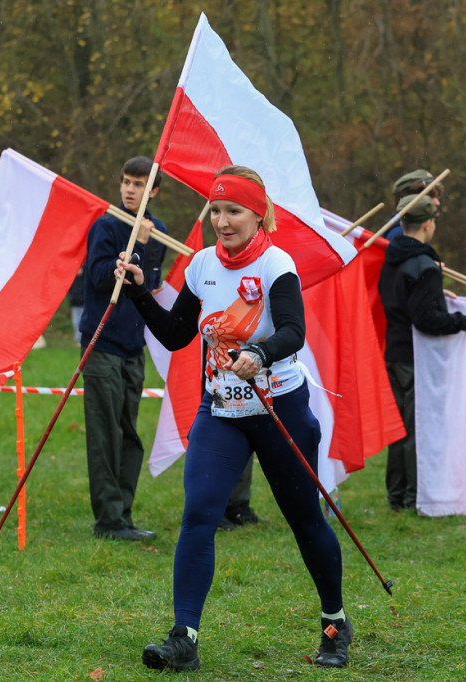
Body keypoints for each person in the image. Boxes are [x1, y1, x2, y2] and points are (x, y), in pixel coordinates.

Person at [118, 166, 351, 671]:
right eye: (216, 211)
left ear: (258, 213)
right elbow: (179, 334)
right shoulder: (201, 264)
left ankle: (334, 624)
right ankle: (184, 638)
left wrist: (261, 354)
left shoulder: (276, 264)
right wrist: (139, 291)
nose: (222, 221)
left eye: (234, 211)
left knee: (304, 520)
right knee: (199, 514)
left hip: (279, 412)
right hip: (220, 411)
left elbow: (294, 331)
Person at [79, 156, 167, 541]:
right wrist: (137, 248)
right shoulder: (105, 225)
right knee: (104, 433)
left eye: (139, 184)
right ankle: (108, 520)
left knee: (129, 432)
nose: (130, 190)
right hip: (102, 345)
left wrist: (146, 248)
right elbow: (101, 278)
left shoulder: (158, 231)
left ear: (154, 191)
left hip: (134, 346)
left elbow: (145, 284)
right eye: (126, 182)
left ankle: (124, 515)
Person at [378, 194, 466, 512]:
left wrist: (436, 293)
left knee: (400, 429)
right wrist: (463, 322)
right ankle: (414, 498)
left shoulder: (391, 257)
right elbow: (426, 319)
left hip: (394, 351)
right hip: (415, 359)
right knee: (417, 427)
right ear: (427, 224)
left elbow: (407, 301)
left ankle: (397, 496)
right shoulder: (423, 265)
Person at [382, 168, 443, 242]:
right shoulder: (404, 235)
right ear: (410, 198)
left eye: (437, 197)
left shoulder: (403, 230)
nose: (437, 203)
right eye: (430, 197)